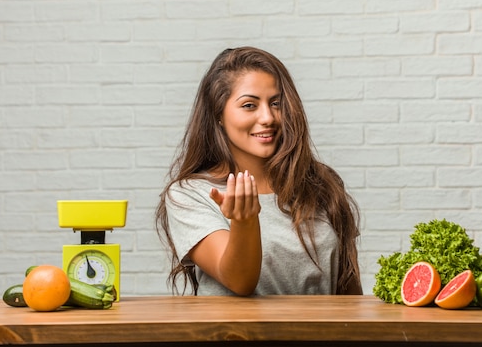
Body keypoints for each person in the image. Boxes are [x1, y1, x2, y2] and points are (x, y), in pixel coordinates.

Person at [155, 46, 362, 296]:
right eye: (250, 105)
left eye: (276, 103)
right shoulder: (190, 194)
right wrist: (244, 222)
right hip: (235, 336)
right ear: (219, 113)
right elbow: (239, 281)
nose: (268, 117)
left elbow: (349, 294)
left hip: (320, 336)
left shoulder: (320, 184)